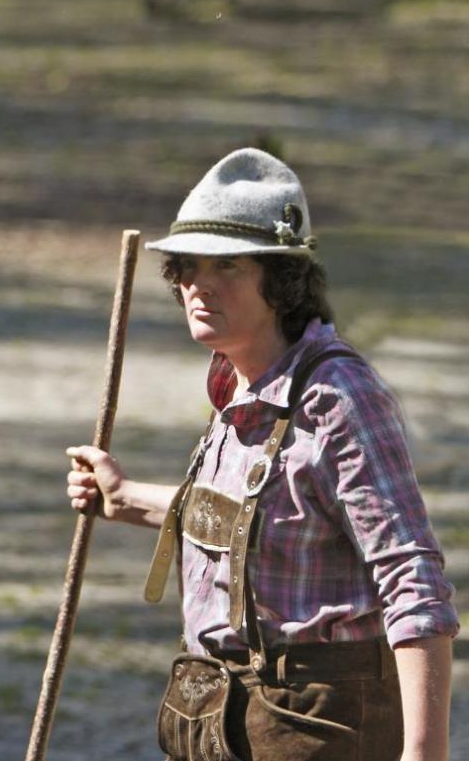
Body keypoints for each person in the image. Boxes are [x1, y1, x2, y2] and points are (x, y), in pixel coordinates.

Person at [65, 148, 456, 761]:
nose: (198, 284)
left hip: (318, 723)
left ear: (280, 280)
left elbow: (412, 579)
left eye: (226, 265)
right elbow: (261, 520)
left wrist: (424, 754)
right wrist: (126, 498)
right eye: (188, 266)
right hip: (221, 714)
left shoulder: (338, 398)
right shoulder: (235, 384)